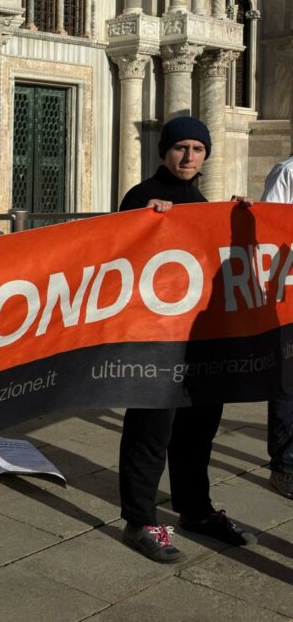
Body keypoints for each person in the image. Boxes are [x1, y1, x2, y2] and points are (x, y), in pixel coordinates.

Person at [117, 116, 254, 562]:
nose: (189, 156)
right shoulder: (141, 196)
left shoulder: (202, 200)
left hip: (199, 339)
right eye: (181, 148)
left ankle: (194, 509)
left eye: (198, 149)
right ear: (164, 152)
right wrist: (142, 222)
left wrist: (240, 219)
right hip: (155, 340)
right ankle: (139, 520)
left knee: (198, 429)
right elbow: (116, 255)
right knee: (151, 429)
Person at [258, 155, 293, 500]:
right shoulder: (288, 171)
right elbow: (270, 228)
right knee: (287, 381)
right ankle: (284, 464)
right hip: (290, 294)